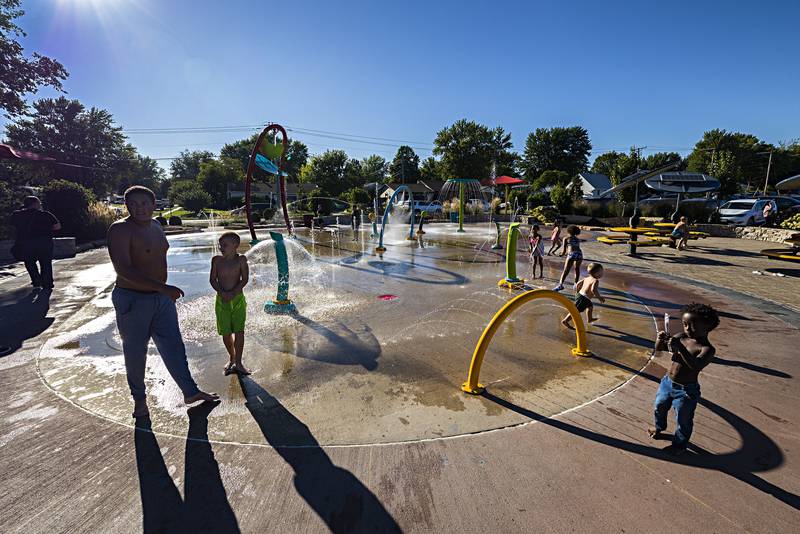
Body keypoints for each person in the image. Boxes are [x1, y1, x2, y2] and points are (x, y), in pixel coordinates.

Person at [107, 185, 219, 418]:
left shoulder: (157, 226)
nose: (140, 208)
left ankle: (190, 392)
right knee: (136, 352)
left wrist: (162, 291)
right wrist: (162, 287)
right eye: (133, 204)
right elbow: (123, 269)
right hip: (133, 300)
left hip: (161, 299)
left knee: (174, 347)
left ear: (154, 204)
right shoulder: (121, 230)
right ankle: (139, 400)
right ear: (126, 206)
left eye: (144, 203)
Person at [649, 302, 720, 455]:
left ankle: (680, 445)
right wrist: (660, 339)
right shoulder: (681, 337)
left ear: (706, 328)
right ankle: (659, 427)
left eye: (692, 326)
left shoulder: (707, 349)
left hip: (686, 390)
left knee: (683, 419)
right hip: (667, 383)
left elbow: (695, 366)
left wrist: (680, 348)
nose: (687, 329)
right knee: (659, 407)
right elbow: (659, 349)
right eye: (684, 324)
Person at [209, 231, 250, 375]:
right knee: (225, 332)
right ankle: (231, 358)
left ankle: (239, 362)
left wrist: (233, 292)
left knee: (239, 331)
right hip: (222, 301)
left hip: (237, 300)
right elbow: (213, 280)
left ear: (235, 245)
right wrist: (221, 292)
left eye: (225, 245)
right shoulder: (217, 261)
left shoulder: (241, 260)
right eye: (220, 245)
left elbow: (244, 279)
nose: (221, 248)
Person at [10, 196, 61, 289]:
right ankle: (47, 283)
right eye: (39, 203)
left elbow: (13, 226)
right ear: (35, 204)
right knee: (45, 263)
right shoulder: (45, 214)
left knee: (29, 262)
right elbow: (57, 226)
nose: (40, 205)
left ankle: (36, 281)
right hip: (44, 242)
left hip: (26, 242)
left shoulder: (17, 215)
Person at [561, 262, 605, 329]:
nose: (602, 274)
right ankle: (565, 320)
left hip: (581, 296)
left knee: (590, 307)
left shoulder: (586, 278)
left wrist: (577, 292)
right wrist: (600, 298)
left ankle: (589, 319)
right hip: (584, 299)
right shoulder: (595, 281)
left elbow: (578, 284)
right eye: (601, 272)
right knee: (576, 311)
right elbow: (594, 290)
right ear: (597, 273)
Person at [553, 225, 583, 291]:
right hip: (579, 254)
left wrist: (560, 254)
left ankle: (560, 285)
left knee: (566, 270)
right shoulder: (577, 239)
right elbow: (574, 247)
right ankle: (575, 285)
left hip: (572, 254)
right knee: (577, 269)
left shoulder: (566, 238)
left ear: (569, 231)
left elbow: (564, 251)